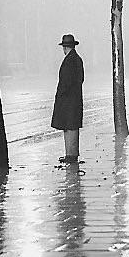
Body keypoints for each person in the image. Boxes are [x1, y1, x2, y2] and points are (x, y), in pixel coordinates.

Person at [51, 33, 84, 163]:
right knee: (71, 126)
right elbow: (80, 79)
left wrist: (62, 94)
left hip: (68, 100)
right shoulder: (77, 59)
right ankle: (71, 154)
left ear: (65, 47)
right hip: (74, 99)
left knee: (69, 127)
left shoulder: (70, 61)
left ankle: (71, 155)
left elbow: (65, 81)